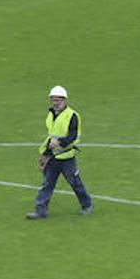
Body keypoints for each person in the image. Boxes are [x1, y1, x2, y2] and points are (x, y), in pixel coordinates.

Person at [27, 85, 93, 219]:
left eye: (58, 100)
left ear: (64, 100)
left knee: (75, 183)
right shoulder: (51, 114)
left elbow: (73, 136)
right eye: (53, 100)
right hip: (53, 157)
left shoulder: (72, 116)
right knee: (47, 184)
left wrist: (60, 142)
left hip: (67, 157)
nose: (55, 103)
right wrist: (45, 154)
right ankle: (41, 210)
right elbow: (51, 137)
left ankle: (87, 204)